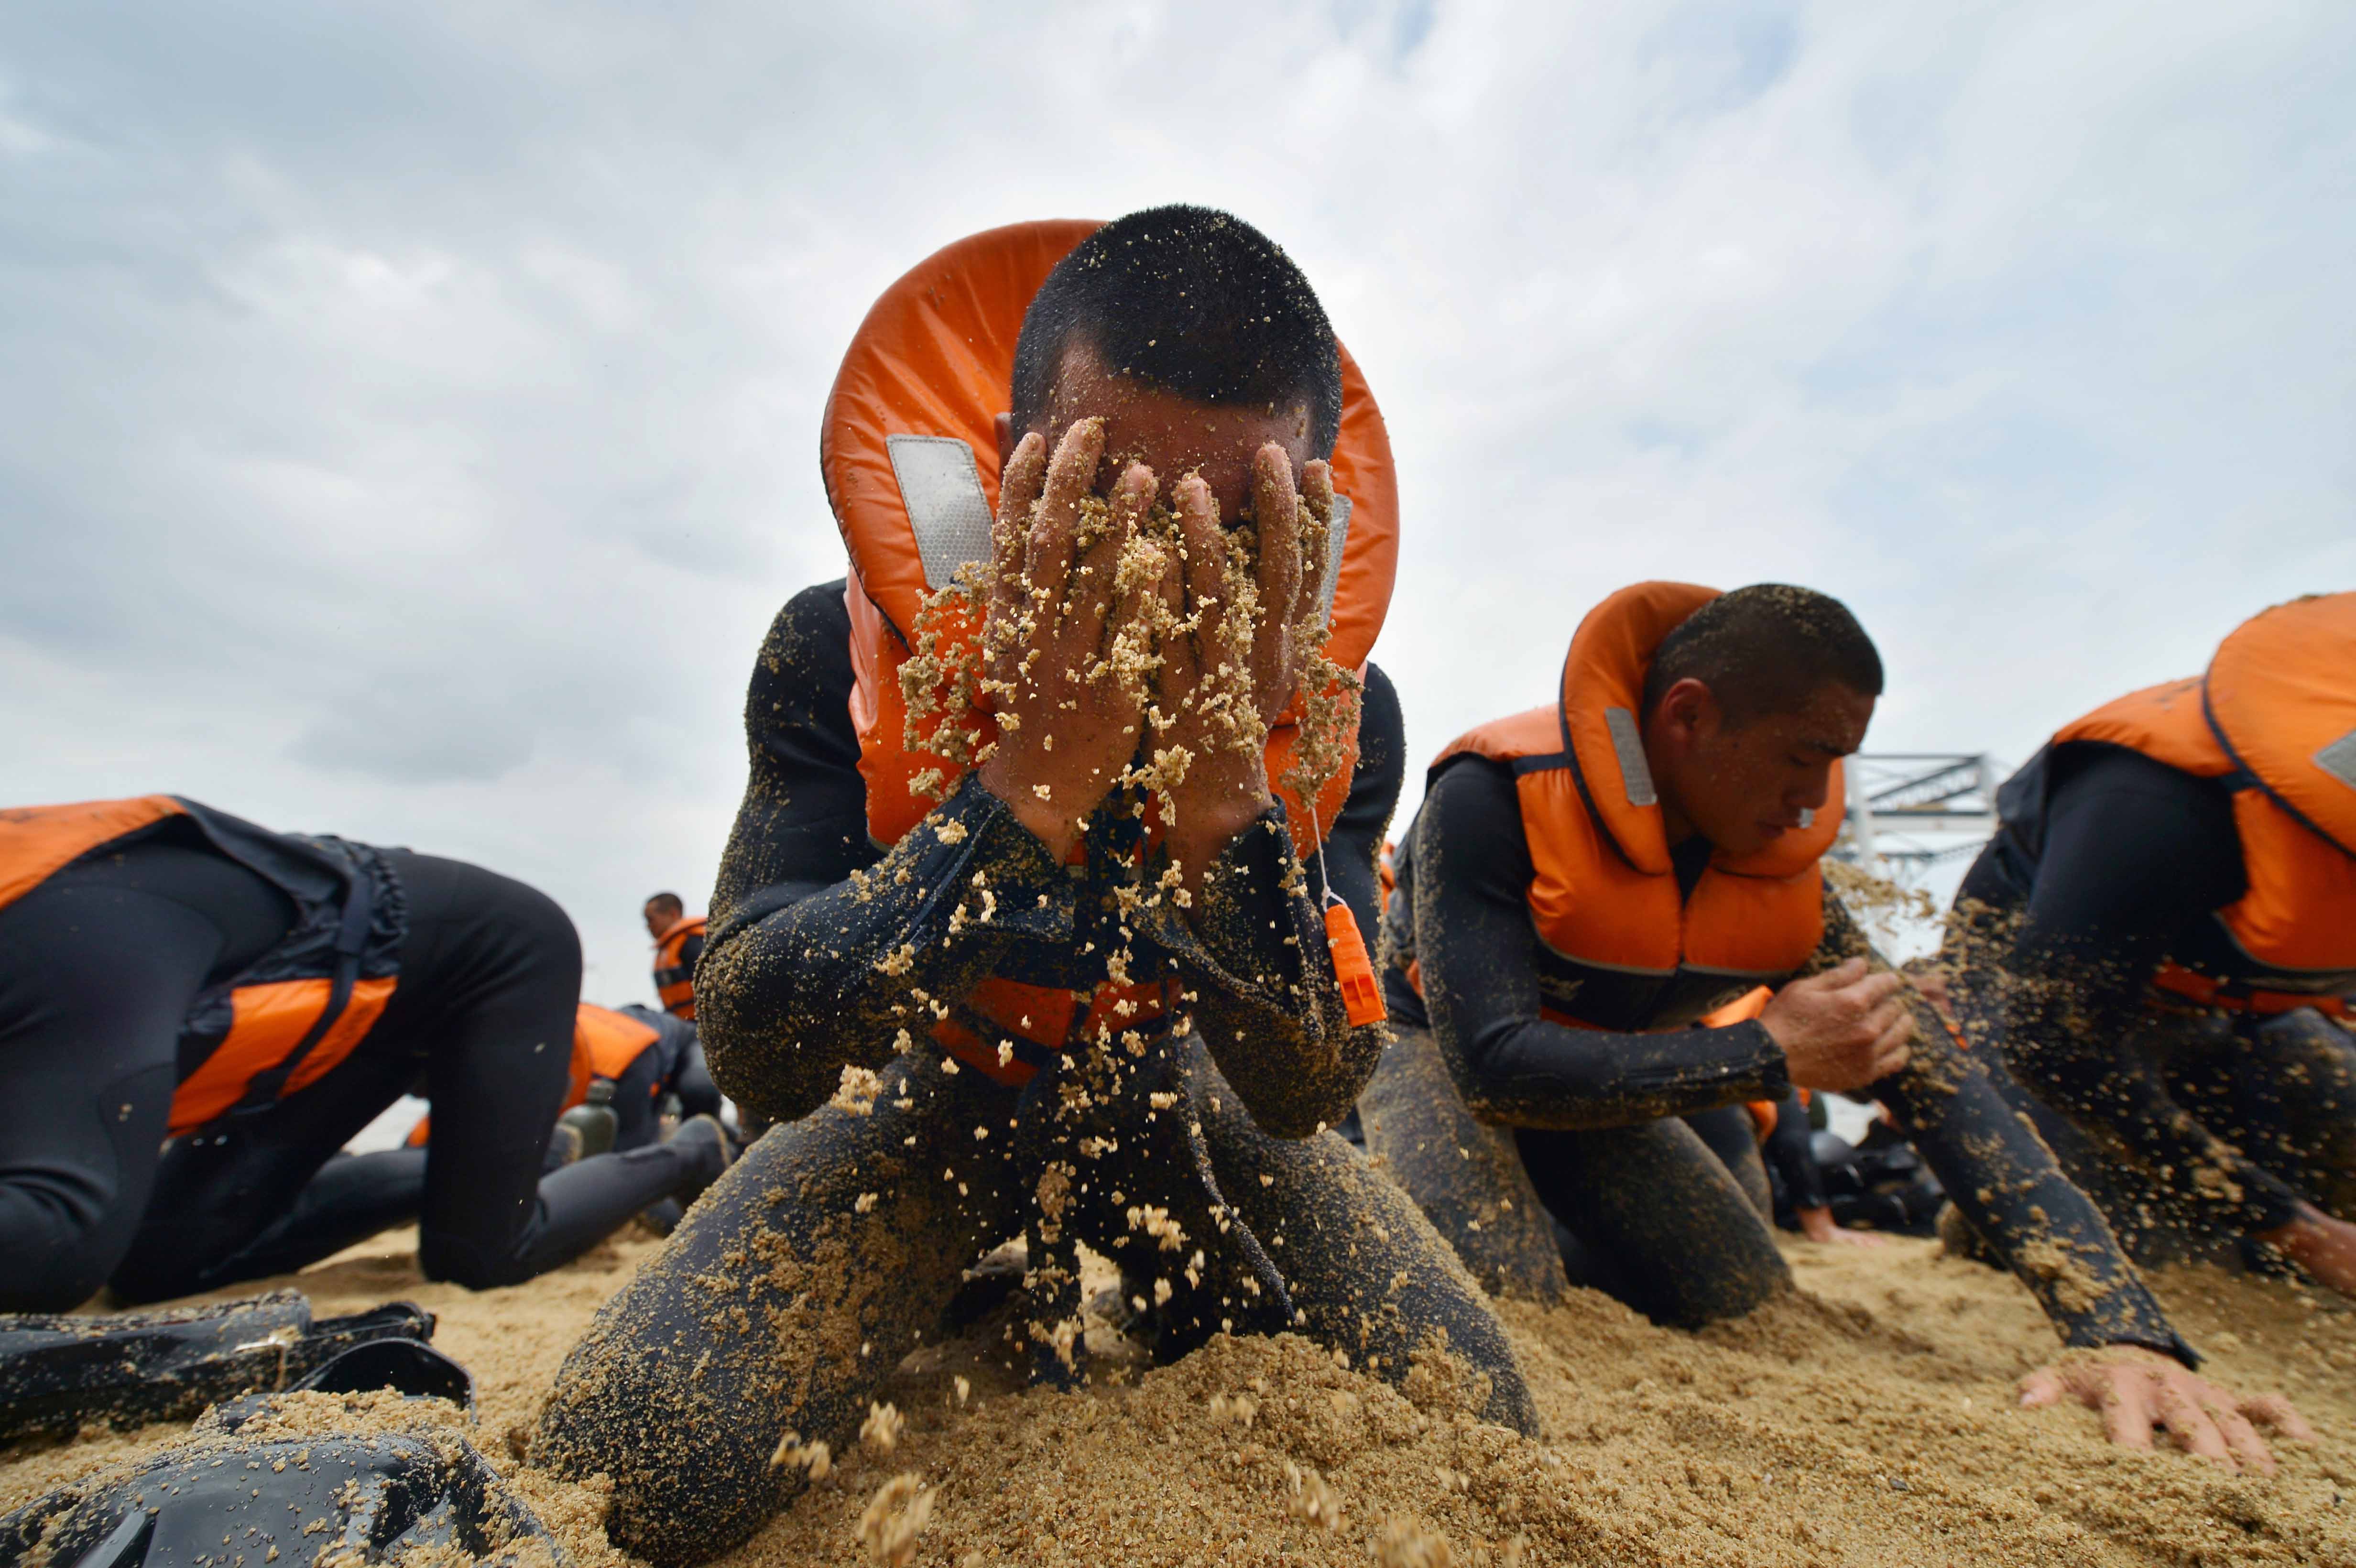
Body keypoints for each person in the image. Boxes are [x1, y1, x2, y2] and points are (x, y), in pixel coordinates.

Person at [535, 208, 1535, 1566]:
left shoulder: (1347, 711)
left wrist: (1229, 813)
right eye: (1116, 494)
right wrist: (1024, 793)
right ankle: (970, 1275)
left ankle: (1066, 1291)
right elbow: (758, 1043)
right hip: (929, 1094)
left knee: (1480, 1415)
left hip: (1182, 1103)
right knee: (642, 1460)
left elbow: (1310, 1085)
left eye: (1233, 522)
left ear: (1312, 503)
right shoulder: (834, 640)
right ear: (1012, 470)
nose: (1173, 557)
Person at [1361, 582, 2310, 1470]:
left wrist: (2118, 1324)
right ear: (1687, 716)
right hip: (1440, 1057)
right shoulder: (1492, 796)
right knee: (1499, 1295)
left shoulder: (1792, 886)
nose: (1816, 798)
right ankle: (1397, 1196)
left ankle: (1532, 1225)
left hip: (1614, 1083)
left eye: (1836, 762)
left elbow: (1949, 1097)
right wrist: (1766, 1052)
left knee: (1743, 1296)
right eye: (1801, 755)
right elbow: (1492, 1067)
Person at [0, 795, 731, 1311]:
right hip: (363, 1020)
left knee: (481, 1255)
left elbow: (63, 1232)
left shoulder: (55, 937)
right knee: (156, 1259)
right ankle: (512, 1166)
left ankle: (693, 1152)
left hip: (495, 959)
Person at [1942, 591, 2356, 1296]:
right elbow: (2057, 1052)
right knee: (2151, 1263)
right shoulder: (2155, 804)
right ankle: (1981, 1219)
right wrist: (2300, 1229)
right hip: (2043, 1003)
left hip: (2243, 1005)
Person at [643, 893, 705, 1020]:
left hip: (698, 1024)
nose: (648, 926)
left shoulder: (691, 942)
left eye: (651, 919)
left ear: (673, 914)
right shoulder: (667, 949)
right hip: (681, 1022)